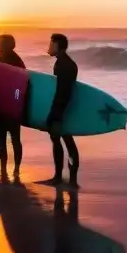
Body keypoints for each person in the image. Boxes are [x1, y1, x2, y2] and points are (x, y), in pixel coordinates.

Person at [46, 33, 80, 187]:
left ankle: (65, 178)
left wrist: (56, 114)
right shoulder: (62, 62)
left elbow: (63, 92)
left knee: (64, 140)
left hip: (63, 109)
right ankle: (66, 177)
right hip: (65, 108)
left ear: (59, 47)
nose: (49, 47)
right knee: (64, 140)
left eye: (52, 44)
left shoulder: (64, 65)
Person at [0, 34, 25, 183]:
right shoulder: (17, 60)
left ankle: (6, 169)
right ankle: (14, 169)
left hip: (7, 108)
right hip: (12, 107)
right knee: (14, 139)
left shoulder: (7, 61)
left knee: (4, 139)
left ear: (6, 46)